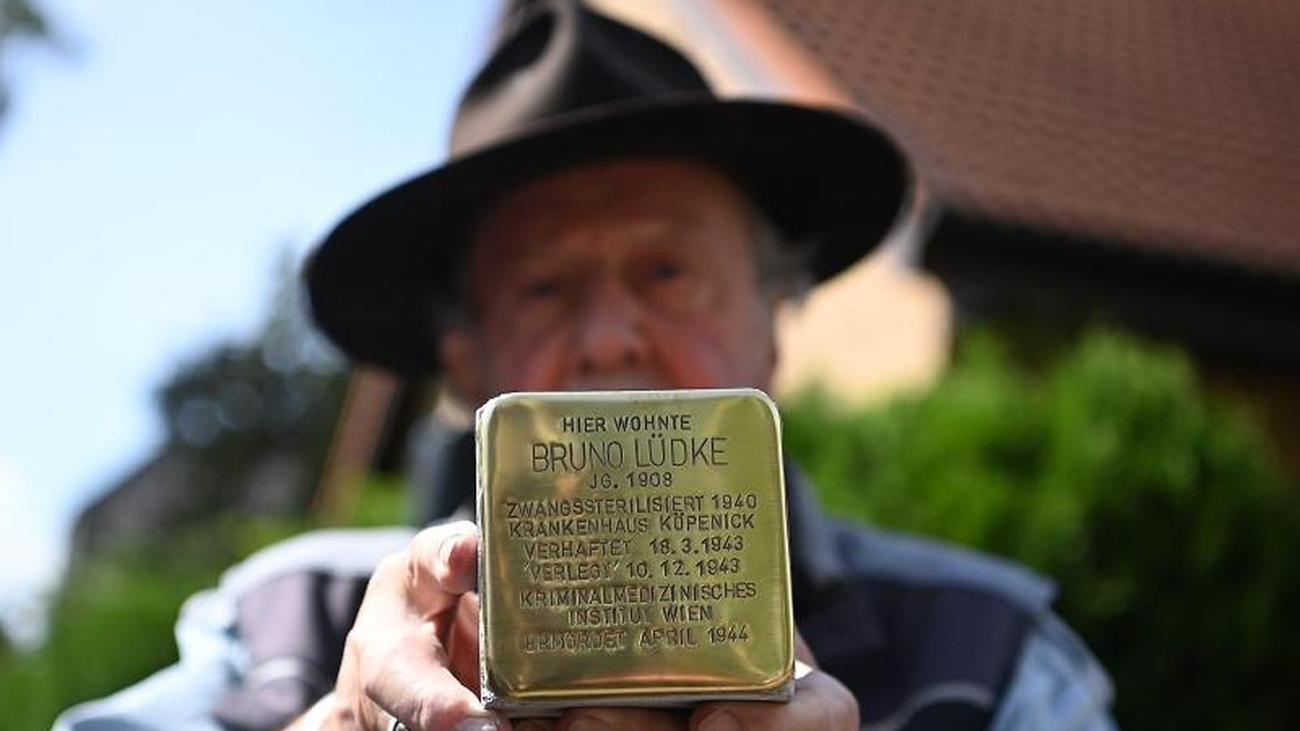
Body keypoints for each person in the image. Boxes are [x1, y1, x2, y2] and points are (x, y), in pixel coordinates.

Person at [56, 2, 1116, 730]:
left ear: (771, 323)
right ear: (465, 363)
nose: (610, 336)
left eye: (667, 271)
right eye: (544, 287)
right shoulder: (284, 622)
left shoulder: (991, 654)